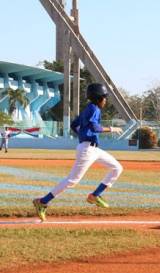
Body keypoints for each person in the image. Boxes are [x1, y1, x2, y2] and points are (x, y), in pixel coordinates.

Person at [32, 83, 124, 221]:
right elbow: (94, 127)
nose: (105, 100)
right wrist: (111, 129)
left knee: (117, 168)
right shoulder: (94, 108)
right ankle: (43, 202)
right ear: (99, 97)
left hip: (92, 148)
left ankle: (95, 196)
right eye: (104, 97)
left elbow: (74, 125)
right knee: (72, 181)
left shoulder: (89, 108)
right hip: (87, 149)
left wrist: (82, 134)